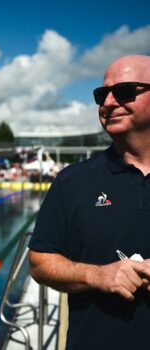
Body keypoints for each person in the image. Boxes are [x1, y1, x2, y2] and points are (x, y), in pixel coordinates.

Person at [28, 55, 150, 350]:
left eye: (123, 92)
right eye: (101, 94)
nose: (107, 102)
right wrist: (98, 275)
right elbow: (40, 262)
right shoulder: (73, 181)